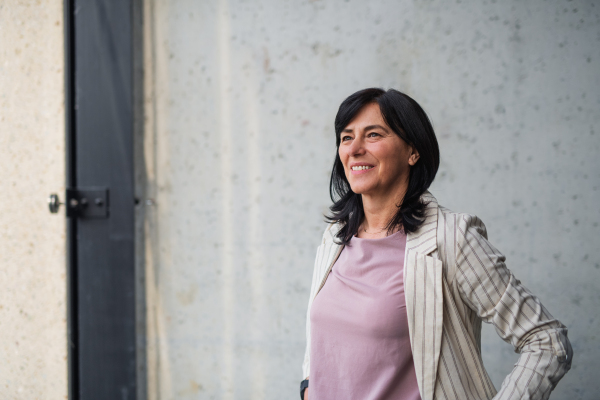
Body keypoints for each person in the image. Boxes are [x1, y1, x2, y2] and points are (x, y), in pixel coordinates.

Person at [300, 88, 572, 400]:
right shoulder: (335, 235)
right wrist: (308, 386)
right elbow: (322, 333)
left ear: (412, 151)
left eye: (373, 134)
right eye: (347, 138)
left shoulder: (452, 238)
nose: (355, 148)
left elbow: (546, 340)